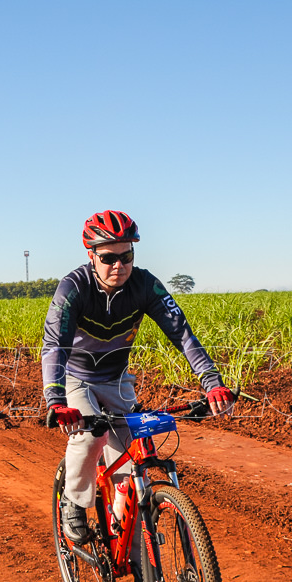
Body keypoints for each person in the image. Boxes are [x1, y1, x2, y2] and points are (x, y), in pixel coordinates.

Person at [41, 210, 234, 546]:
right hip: (78, 378)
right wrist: (56, 402)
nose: (119, 266)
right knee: (88, 438)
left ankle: (124, 534)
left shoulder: (145, 285)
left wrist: (212, 382)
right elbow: (55, 345)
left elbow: (182, 335)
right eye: (108, 258)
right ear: (92, 256)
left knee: (128, 458)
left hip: (117, 379)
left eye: (127, 256)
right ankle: (73, 500)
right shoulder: (73, 287)